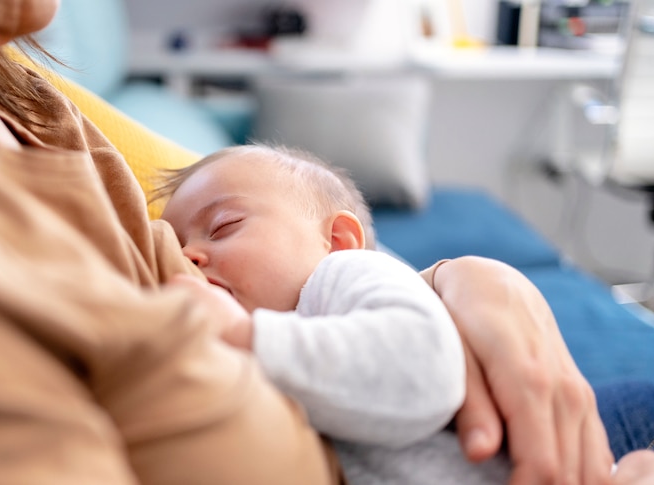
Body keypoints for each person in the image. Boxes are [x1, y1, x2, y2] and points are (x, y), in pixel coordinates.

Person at [0, 0, 654, 483]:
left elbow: (299, 231)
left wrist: (468, 278)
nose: (191, 255)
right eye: (188, 240)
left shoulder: (14, 86)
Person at [156, 144, 476, 482]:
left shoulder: (344, 272)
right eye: (176, 248)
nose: (187, 254)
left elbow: (423, 367)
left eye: (224, 225)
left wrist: (243, 334)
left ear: (337, 240)